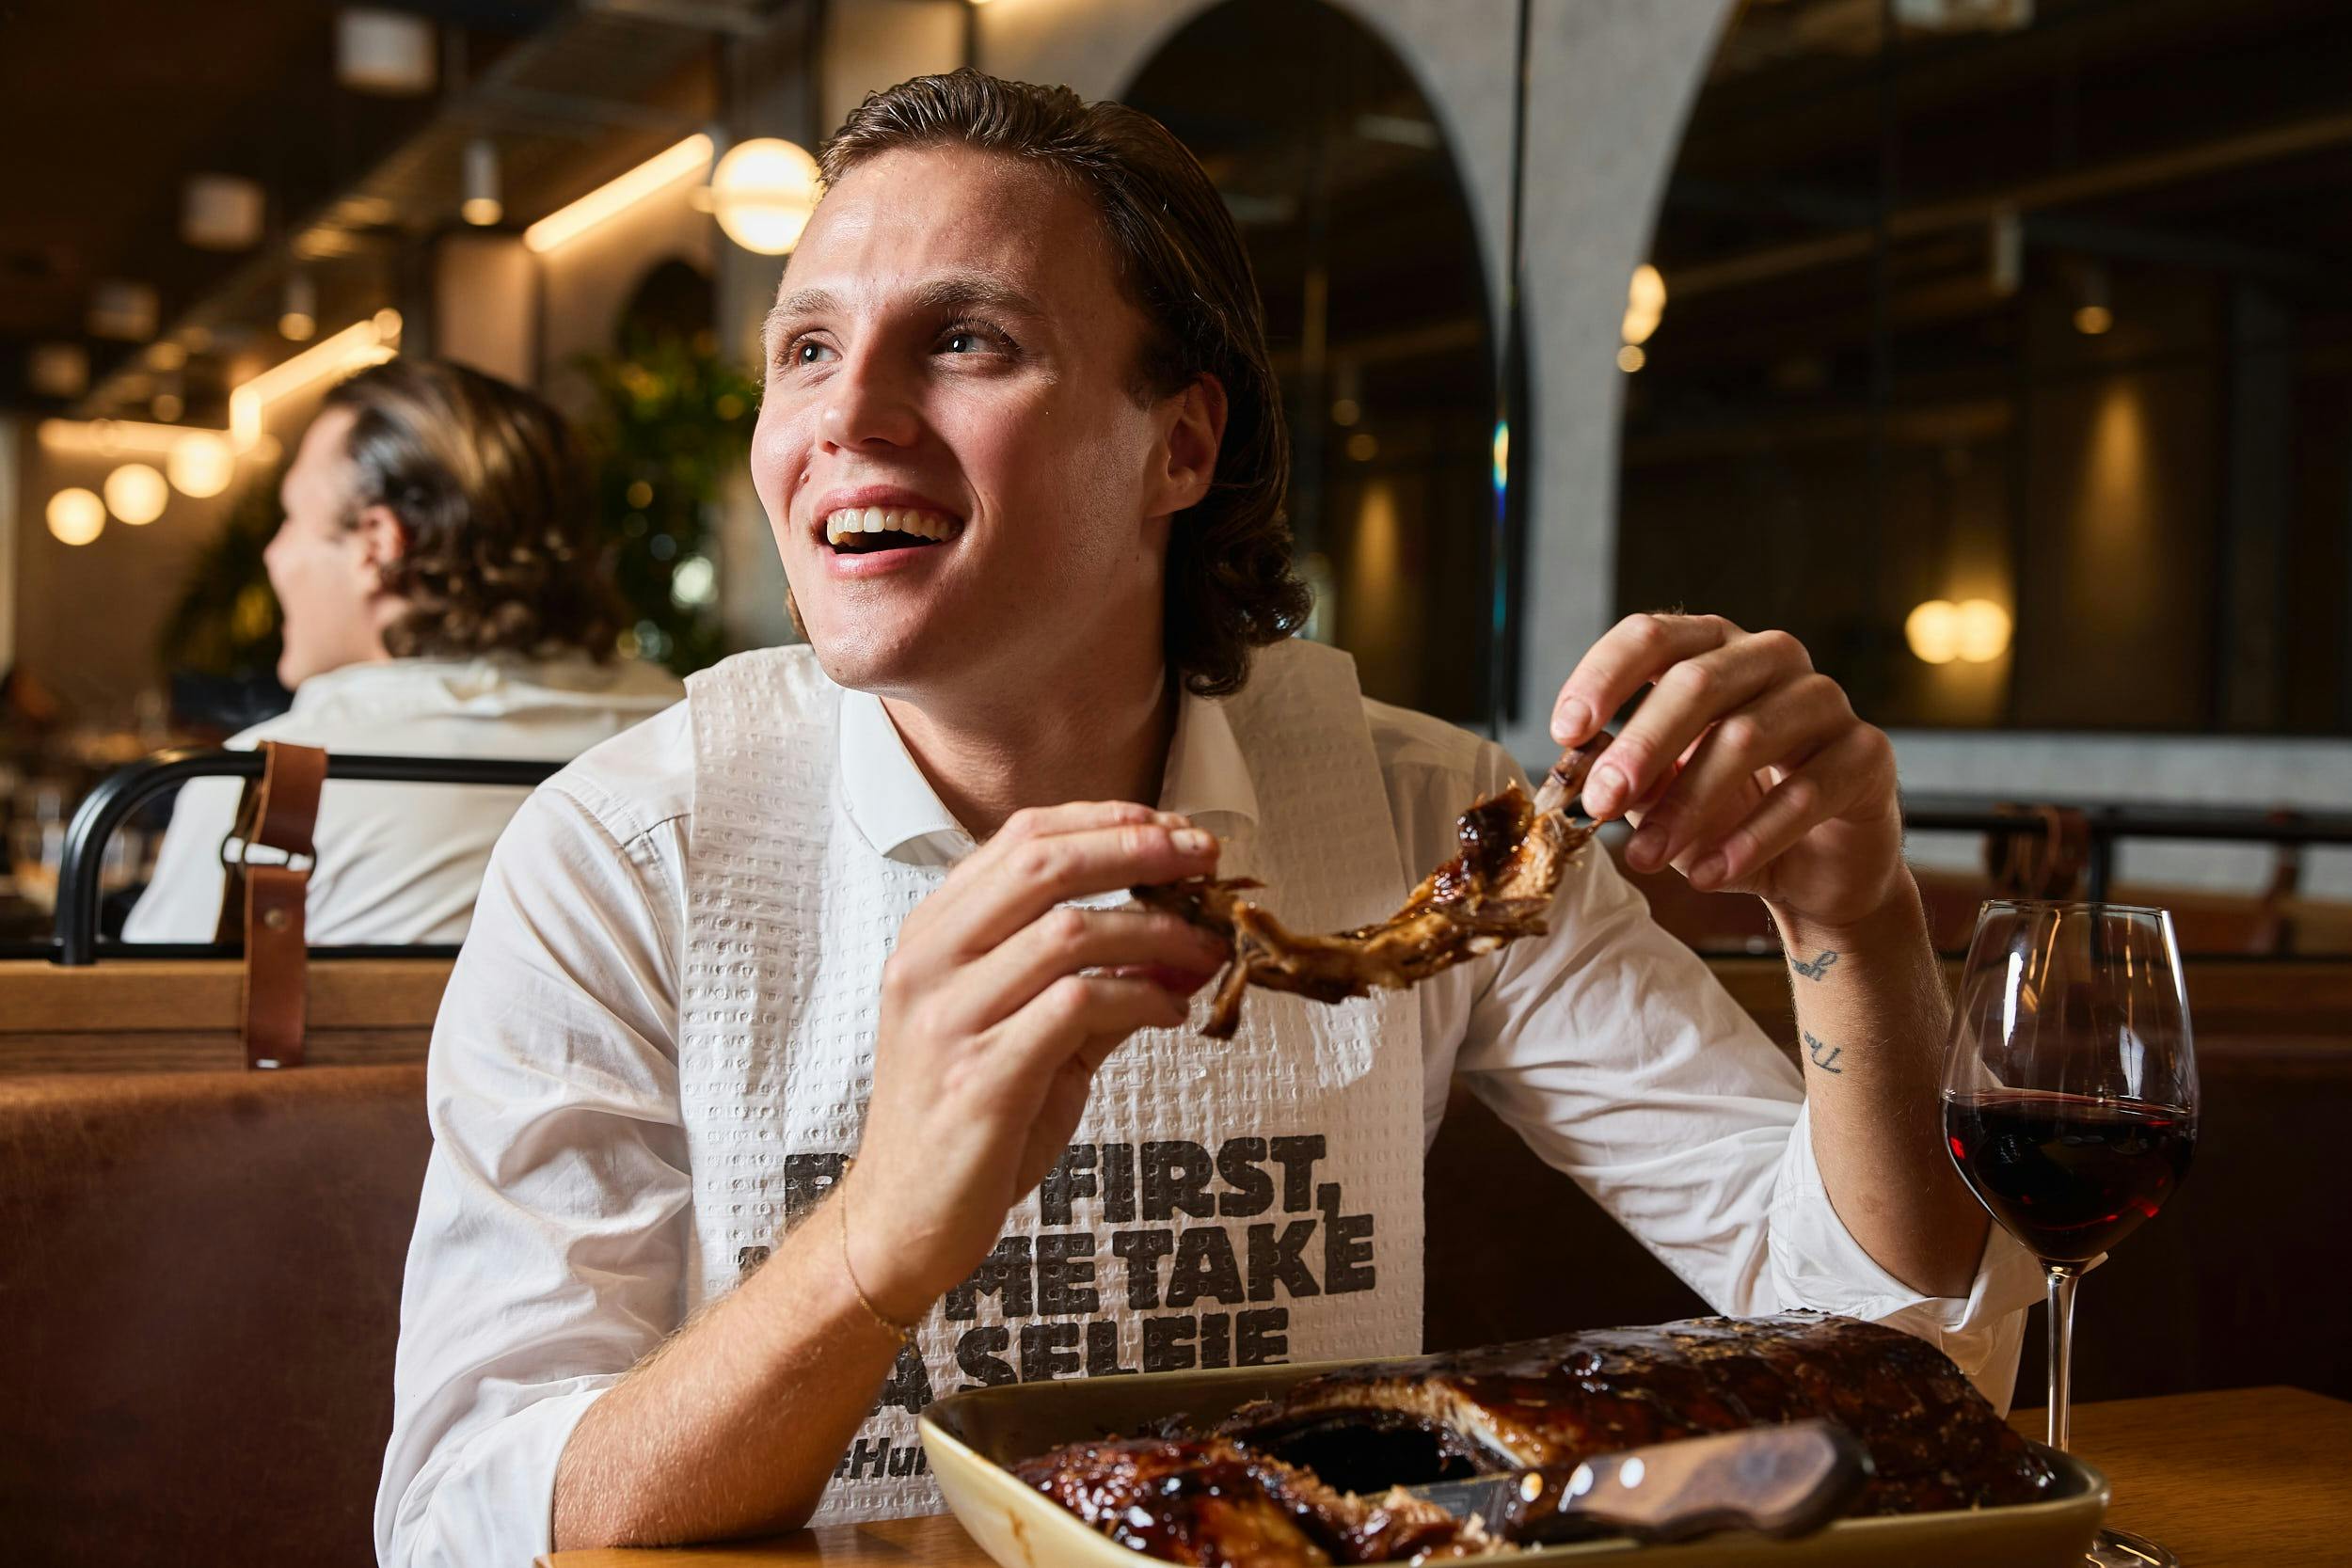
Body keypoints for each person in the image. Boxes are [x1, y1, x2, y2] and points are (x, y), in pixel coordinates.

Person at [376, 72, 2041, 1566]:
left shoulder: (1422, 820)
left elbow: (1917, 1343)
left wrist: (1857, 922)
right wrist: (879, 1236)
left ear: (1180, 441)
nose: (847, 414)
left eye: (965, 340)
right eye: (807, 345)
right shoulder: (627, 852)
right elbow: (469, 1517)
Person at [125, 358, 681, 946]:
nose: (273, 554)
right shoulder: (683, 732)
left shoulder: (263, 786)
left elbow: (152, 1016)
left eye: (292, 519)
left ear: (377, 545)